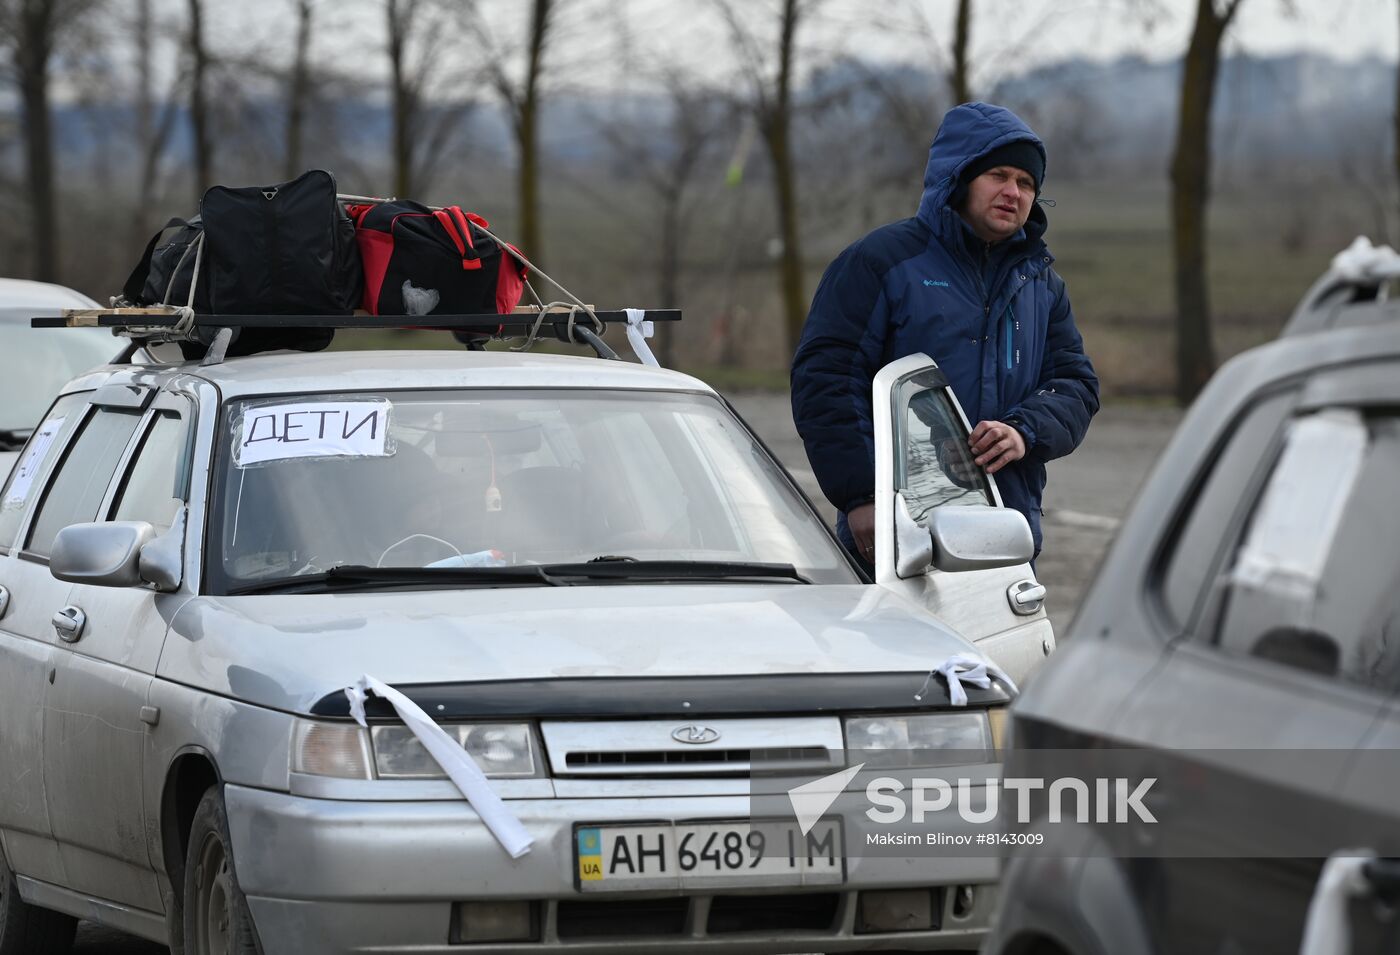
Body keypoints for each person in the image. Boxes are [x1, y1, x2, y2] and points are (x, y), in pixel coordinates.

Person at [791, 102, 1099, 566]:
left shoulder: (1042, 284)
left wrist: (1023, 430)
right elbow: (827, 381)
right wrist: (860, 497)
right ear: (958, 179)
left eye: (1026, 182)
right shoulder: (880, 263)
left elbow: (1075, 387)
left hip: (1007, 536)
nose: (1013, 192)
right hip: (898, 536)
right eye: (998, 175)